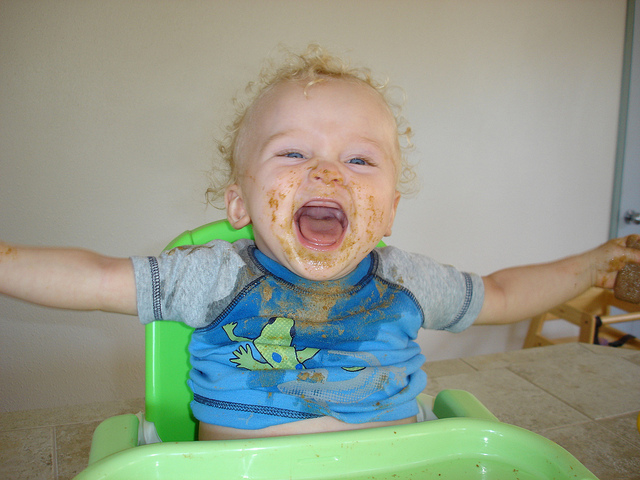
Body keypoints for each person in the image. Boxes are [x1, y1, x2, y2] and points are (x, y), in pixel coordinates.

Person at [1, 45, 639, 441]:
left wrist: (594, 264)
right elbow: (94, 278)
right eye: (295, 152)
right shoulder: (212, 277)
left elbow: (500, 293)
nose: (328, 172)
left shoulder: (406, 282)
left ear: (388, 211)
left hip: (392, 464)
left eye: (360, 161)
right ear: (238, 203)